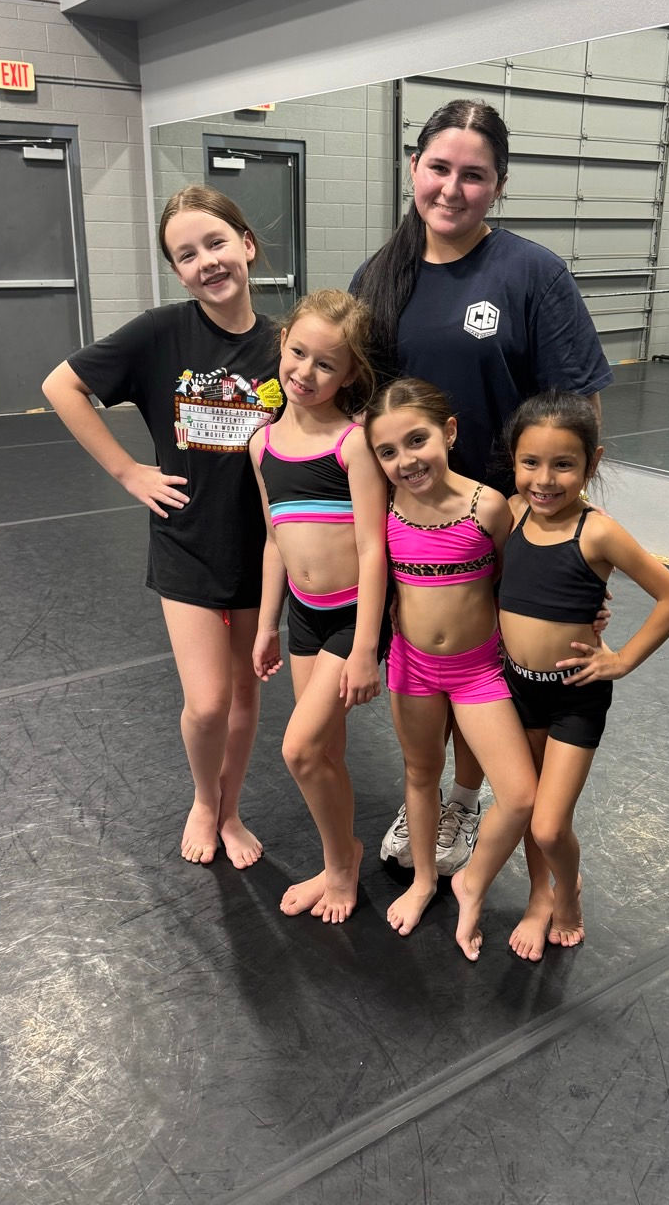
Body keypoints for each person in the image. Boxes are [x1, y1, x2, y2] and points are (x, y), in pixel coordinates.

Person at [351, 97, 613, 873]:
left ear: (499, 184)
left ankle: (464, 801)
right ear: (413, 167)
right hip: (414, 524)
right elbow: (356, 406)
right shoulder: (380, 276)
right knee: (424, 660)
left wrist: (563, 540)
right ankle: (425, 793)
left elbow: (577, 414)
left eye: (473, 175)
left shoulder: (533, 274)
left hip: (505, 522)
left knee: (484, 669)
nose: (451, 188)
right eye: (438, 168)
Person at [43, 185, 284, 870]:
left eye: (216, 243)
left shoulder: (283, 345)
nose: (207, 261)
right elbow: (62, 385)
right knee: (207, 704)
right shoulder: (160, 334)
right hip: (187, 541)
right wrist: (128, 472)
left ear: (247, 245)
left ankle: (230, 808)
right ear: (177, 272)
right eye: (187, 254)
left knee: (244, 696)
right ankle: (204, 800)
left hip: (261, 549)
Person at [466, 388, 669, 959]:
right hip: (517, 687)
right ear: (513, 461)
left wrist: (622, 659)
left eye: (563, 465)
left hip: (574, 695)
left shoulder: (598, 532)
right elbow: (506, 580)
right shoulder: (511, 512)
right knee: (527, 809)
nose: (545, 480)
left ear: (592, 463)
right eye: (531, 462)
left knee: (550, 824)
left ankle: (567, 890)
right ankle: (538, 896)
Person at [364, 379, 538, 959]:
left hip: (479, 669)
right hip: (412, 668)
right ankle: (422, 880)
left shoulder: (488, 506)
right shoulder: (384, 509)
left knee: (519, 795)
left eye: (417, 440)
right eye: (388, 451)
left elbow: (516, 581)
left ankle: (471, 880)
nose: (406, 460)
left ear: (450, 432)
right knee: (420, 773)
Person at [249, 289, 389, 924]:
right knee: (325, 753)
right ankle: (342, 854)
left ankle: (340, 866)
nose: (305, 372)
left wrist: (365, 647)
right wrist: (266, 625)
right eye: (299, 353)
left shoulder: (351, 444)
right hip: (303, 616)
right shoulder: (263, 445)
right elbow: (274, 540)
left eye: (326, 364)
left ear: (350, 374)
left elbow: (372, 550)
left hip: (351, 616)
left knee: (300, 750)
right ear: (282, 343)